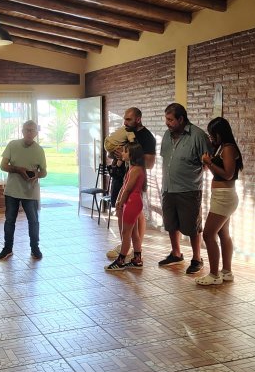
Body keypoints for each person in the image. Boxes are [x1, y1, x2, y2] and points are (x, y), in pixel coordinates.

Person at [158, 103, 212, 274]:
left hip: (189, 189)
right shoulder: (167, 135)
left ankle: (197, 258)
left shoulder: (198, 136)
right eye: (166, 119)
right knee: (171, 224)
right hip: (168, 188)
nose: (167, 123)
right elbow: (166, 159)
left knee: (192, 227)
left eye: (170, 120)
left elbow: (207, 163)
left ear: (181, 119)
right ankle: (176, 254)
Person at [104, 107, 156, 260]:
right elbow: (111, 153)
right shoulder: (125, 132)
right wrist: (115, 152)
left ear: (138, 119)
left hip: (136, 177)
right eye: (124, 119)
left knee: (137, 213)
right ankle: (125, 245)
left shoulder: (147, 137)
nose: (125, 122)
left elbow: (150, 163)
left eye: (128, 119)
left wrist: (129, 157)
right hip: (121, 175)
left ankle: (136, 249)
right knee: (120, 210)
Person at [196, 117, 243, 285]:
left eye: (212, 134)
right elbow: (219, 173)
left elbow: (228, 174)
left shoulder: (228, 149)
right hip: (222, 195)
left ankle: (214, 274)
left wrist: (209, 163)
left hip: (224, 196)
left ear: (220, 133)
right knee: (223, 234)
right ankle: (227, 272)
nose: (210, 137)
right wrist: (208, 163)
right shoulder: (222, 148)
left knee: (208, 234)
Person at [0, 120, 47, 260]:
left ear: (36, 132)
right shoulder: (12, 145)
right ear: (22, 131)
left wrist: (37, 175)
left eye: (32, 130)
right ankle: (7, 248)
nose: (29, 132)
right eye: (26, 130)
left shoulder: (39, 150)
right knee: (9, 221)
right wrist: (18, 169)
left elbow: (44, 172)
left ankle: (35, 248)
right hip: (12, 190)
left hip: (30, 191)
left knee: (33, 221)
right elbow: (3, 166)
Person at [105, 142, 147, 271]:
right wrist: (119, 200)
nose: (122, 153)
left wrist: (120, 202)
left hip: (132, 202)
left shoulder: (136, 169)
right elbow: (124, 187)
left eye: (125, 151)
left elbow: (128, 189)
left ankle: (121, 261)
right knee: (133, 233)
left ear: (132, 154)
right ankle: (137, 259)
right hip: (131, 202)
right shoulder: (132, 168)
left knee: (125, 232)